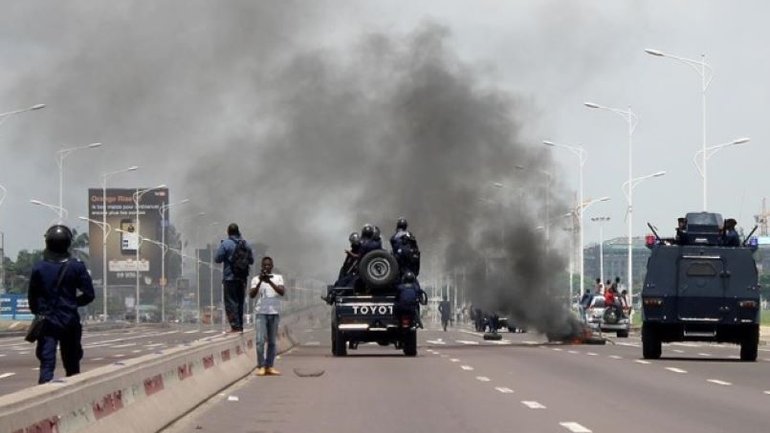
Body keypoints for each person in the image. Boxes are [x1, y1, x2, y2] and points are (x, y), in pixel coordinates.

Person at [28, 225, 95, 384]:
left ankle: (44, 395)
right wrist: (72, 303)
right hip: (69, 320)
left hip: (47, 322)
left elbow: (32, 298)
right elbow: (89, 295)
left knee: (46, 363)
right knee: (72, 365)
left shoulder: (39, 268)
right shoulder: (76, 266)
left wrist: (40, 312)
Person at [249, 256, 286, 376]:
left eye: (268, 265)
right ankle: (261, 365)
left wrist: (269, 281)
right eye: (264, 265)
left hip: (274, 313)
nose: (266, 267)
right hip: (261, 312)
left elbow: (281, 292)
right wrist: (260, 281)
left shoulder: (278, 278)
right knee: (260, 341)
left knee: (272, 342)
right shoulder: (255, 279)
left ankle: (269, 366)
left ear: (272, 266)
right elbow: (252, 295)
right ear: (261, 267)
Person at [215, 223, 254, 333]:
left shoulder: (226, 244)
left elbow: (217, 259)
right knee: (240, 302)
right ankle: (240, 326)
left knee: (230, 302)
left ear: (228, 232)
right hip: (242, 278)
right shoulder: (246, 244)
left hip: (229, 278)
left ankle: (235, 326)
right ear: (238, 231)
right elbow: (251, 261)